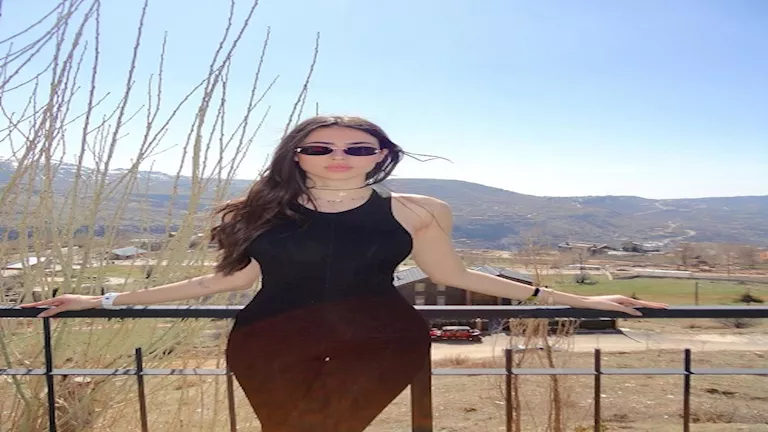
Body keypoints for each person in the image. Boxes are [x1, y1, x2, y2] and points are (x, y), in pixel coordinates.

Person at [22, 115, 667, 431]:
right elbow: (220, 283)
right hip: (268, 342)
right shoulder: (259, 211)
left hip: (380, 341)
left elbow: (460, 273)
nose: (340, 156)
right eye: (321, 147)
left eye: (359, 148)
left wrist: (580, 298)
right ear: (297, 155)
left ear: (380, 156)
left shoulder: (418, 210)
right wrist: (102, 300)